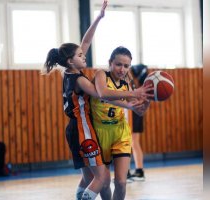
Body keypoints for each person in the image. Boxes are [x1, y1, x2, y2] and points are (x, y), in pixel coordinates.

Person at [43, 1, 151, 199]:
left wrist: (98, 19)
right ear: (70, 60)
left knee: (88, 179)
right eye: (80, 55)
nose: (85, 55)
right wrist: (132, 97)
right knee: (101, 178)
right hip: (84, 129)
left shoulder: (69, 72)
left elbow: (85, 42)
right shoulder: (81, 80)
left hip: (78, 129)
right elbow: (104, 95)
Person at [90, 47, 151, 200]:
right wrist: (132, 93)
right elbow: (104, 93)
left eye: (126, 66)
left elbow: (139, 111)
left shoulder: (126, 84)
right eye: (118, 64)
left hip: (120, 133)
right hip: (99, 133)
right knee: (104, 183)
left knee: (121, 182)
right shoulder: (101, 75)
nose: (122, 69)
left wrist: (150, 99)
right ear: (110, 63)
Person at [127, 64, 149, 181]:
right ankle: (139, 170)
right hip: (136, 113)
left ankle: (127, 173)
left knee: (129, 143)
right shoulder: (138, 86)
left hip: (132, 114)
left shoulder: (133, 85)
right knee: (134, 143)